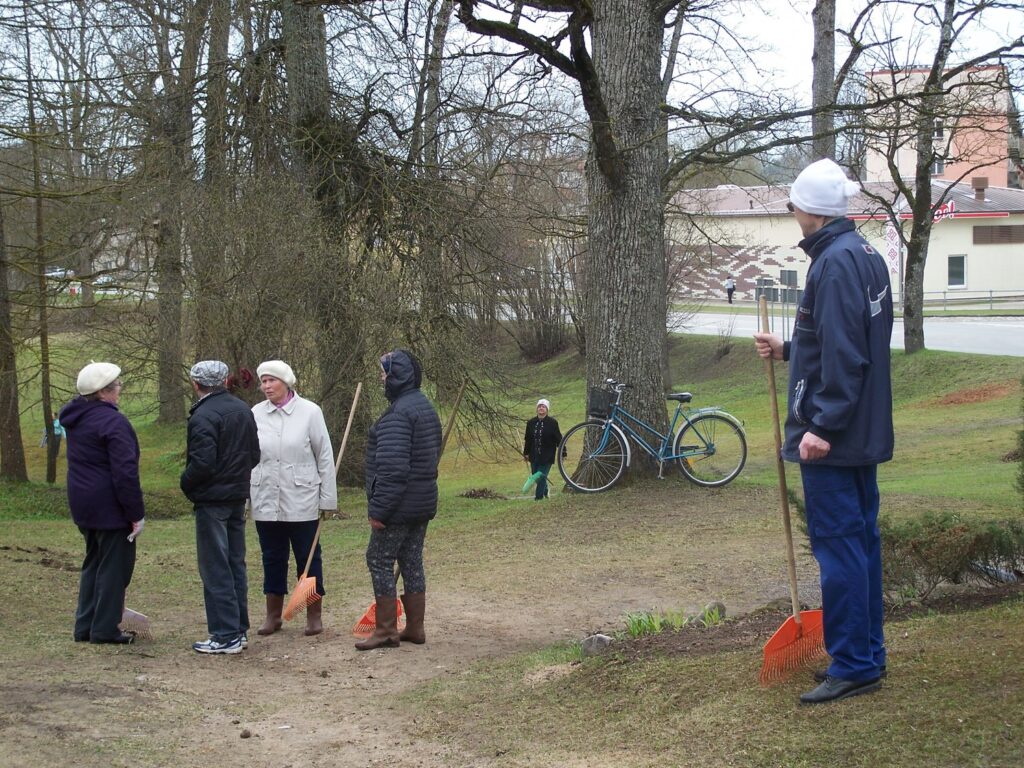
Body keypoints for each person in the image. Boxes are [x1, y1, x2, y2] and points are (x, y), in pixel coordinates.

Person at [753, 158, 894, 705]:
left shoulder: (833, 263)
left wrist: (822, 425)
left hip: (836, 438)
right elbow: (843, 343)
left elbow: (846, 354)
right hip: (860, 433)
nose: (792, 213)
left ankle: (854, 663)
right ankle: (867, 653)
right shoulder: (865, 255)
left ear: (807, 210)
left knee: (840, 552)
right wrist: (789, 350)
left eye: (791, 205)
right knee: (861, 547)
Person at [356, 349, 442, 650]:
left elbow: (393, 469)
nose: (381, 378)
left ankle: (386, 630)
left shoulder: (398, 414)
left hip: (399, 505)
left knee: (378, 559)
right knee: (411, 560)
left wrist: (379, 510)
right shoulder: (424, 408)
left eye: (384, 373)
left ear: (397, 376)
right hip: (421, 503)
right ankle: (415, 628)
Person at [250, 360, 337, 636]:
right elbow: (248, 457)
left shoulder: (310, 412)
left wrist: (328, 500)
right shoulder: (254, 414)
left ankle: (313, 615)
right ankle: (273, 616)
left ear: (286, 382)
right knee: (272, 557)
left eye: (271, 381)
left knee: (308, 558)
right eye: (263, 381)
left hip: (302, 499)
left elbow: (324, 456)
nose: (266, 386)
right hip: (265, 499)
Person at [60, 362, 144, 645]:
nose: (119, 390)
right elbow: (125, 472)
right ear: (104, 392)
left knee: (93, 562)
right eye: (117, 386)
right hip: (110, 504)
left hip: (82, 501)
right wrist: (135, 513)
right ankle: (105, 629)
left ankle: (85, 625)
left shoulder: (76, 417)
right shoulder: (113, 422)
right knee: (114, 567)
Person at [181, 361, 261, 655]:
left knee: (216, 567)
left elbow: (202, 463)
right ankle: (237, 629)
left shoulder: (202, 416)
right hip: (237, 497)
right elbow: (254, 454)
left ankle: (225, 633)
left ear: (196, 384)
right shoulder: (243, 410)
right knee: (234, 563)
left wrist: (185, 483)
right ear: (225, 381)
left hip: (212, 500)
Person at [522, 398, 562, 500]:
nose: (541, 408)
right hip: (533, 455)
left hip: (547, 455)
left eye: (543, 406)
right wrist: (526, 453)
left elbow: (559, 438)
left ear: (547, 409)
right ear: (537, 409)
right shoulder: (531, 423)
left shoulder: (552, 423)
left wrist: (563, 451)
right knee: (537, 477)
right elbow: (528, 439)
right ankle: (545, 491)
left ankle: (538, 498)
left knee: (539, 476)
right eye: (539, 406)